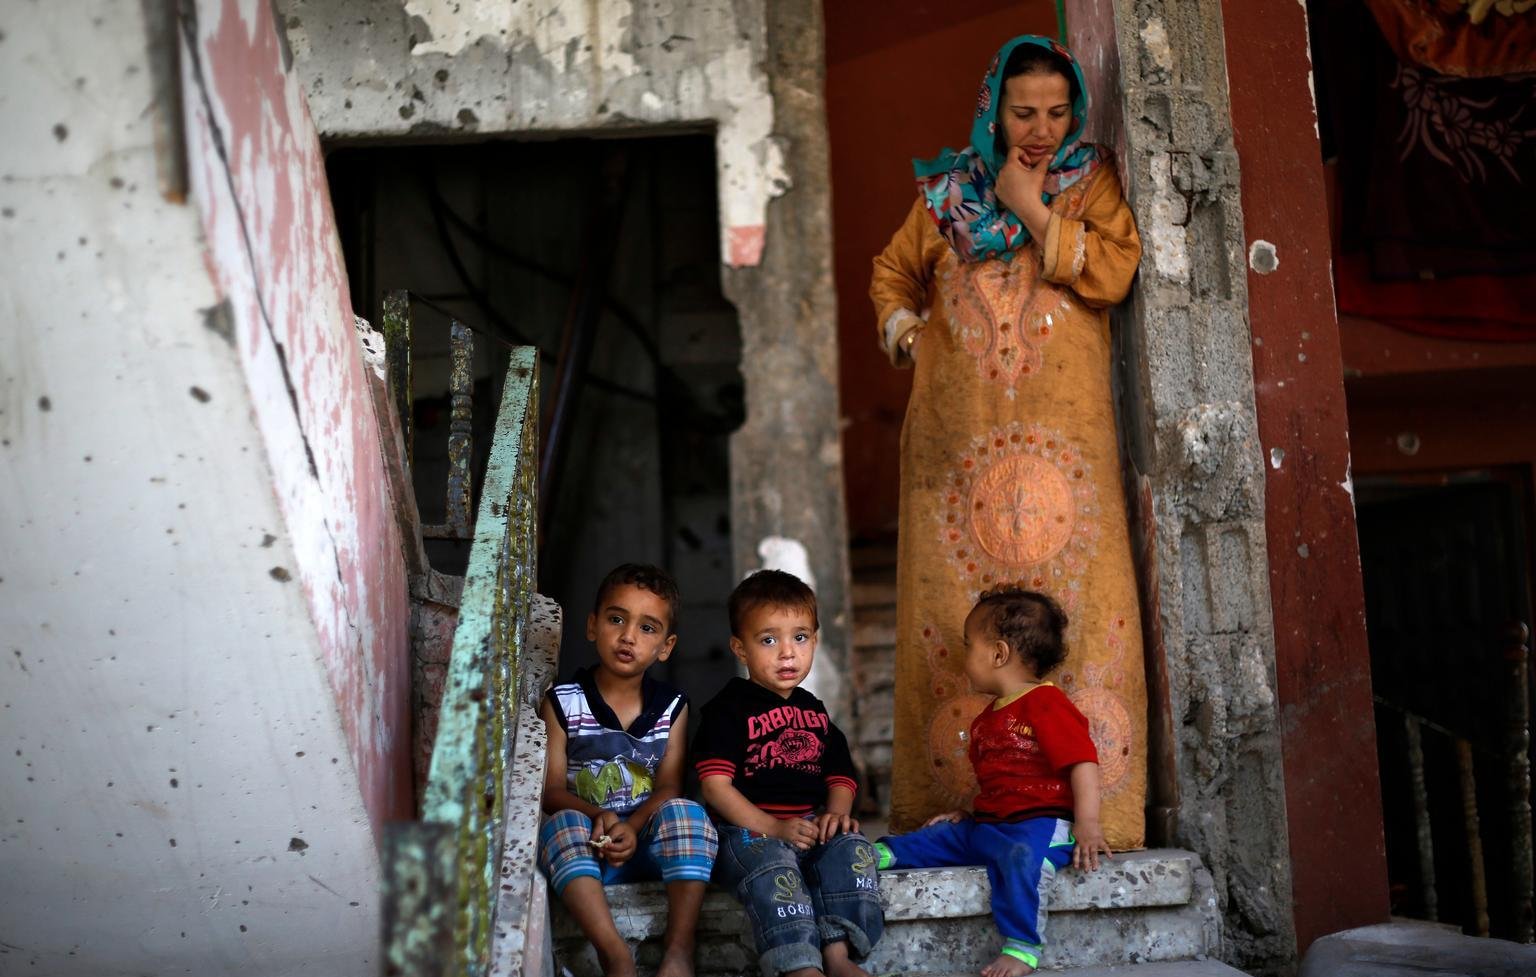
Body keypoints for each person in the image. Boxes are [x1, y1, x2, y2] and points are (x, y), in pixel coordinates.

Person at [869, 34, 1148, 846]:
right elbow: (891, 271)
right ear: (995, 109)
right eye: (1023, 112)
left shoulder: (1088, 183)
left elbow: (1115, 271)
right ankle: (956, 805)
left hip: (1069, 440)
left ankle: (1099, 814)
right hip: (954, 452)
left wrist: (1029, 205)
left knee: (1080, 614)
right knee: (958, 623)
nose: (1040, 129)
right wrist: (908, 330)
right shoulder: (946, 196)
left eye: (1057, 112)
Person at [875, 588, 1110, 977]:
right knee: (943, 834)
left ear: (999, 654)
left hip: (1038, 825)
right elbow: (998, 780)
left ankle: (1022, 947)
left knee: (1021, 860)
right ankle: (877, 857)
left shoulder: (1045, 703)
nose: (962, 656)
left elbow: (1082, 762)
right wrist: (966, 810)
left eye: (968, 645)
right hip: (991, 825)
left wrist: (1088, 824)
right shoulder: (987, 718)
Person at [692, 570, 883, 977]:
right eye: (768, 640)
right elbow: (715, 786)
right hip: (747, 833)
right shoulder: (728, 710)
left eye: (799, 637)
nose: (787, 653)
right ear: (739, 648)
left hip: (808, 825)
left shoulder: (814, 709)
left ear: (815, 640)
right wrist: (774, 827)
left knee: (852, 849)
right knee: (775, 870)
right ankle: (798, 964)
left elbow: (840, 773)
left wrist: (837, 812)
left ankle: (838, 952)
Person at [537, 564, 717, 977]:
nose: (629, 636)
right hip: (588, 850)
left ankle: (678, 950)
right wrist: (598, 815)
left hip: (651, 845)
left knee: (689, 812)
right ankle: (614, 954)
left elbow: (669, 786)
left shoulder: (672, 707)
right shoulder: (563, 703)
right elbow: (549, 790)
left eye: (648, 628)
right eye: (616, 619)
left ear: (666, 646)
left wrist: (634, 826)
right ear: (592, 625)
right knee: (559, 823)